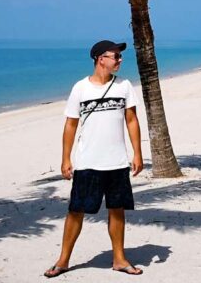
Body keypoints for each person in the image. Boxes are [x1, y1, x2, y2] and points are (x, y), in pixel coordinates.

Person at [44, 40, 146, 278]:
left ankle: (119, 259)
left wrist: (137, 153)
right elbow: (70, 124)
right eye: (116, 57)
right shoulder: (81, 88)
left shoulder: (124, 86)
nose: (120, 61)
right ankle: (63, 260)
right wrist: (65, 159)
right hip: (88, 161)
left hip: (118, 162)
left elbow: (132, 120)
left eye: (120, 57)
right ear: (101, 59)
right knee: (76, 211)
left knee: (117, 210)